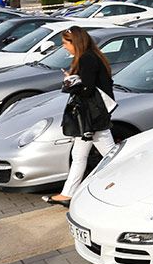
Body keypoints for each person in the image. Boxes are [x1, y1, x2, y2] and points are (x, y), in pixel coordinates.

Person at [44, 27, 115, 206]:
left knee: (111, 156)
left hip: (92, 117)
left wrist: (69, 82)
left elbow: (87, 90)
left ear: (75, 42)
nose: (64, 47)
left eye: (65, 43)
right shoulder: (92, 56)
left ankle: (126, 184)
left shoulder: (87, 59)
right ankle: (67, 194)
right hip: (92, 116)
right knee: (81, 155)